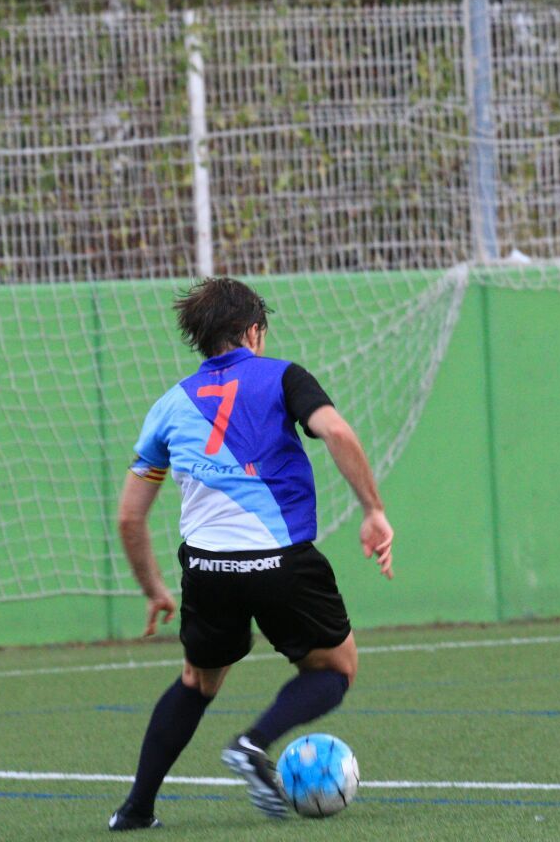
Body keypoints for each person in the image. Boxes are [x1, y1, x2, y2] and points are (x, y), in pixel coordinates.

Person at [107, 277, 394, 830]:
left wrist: (154, 589)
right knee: (336, 667)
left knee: (198, 680)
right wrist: (373, 510)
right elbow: (334, 430)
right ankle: (252, 741)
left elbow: (129, 515)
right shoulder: (282, 376)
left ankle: (136, 808)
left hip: (208, 568)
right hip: (280, 561)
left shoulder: (170, 404)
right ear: (253, 331)